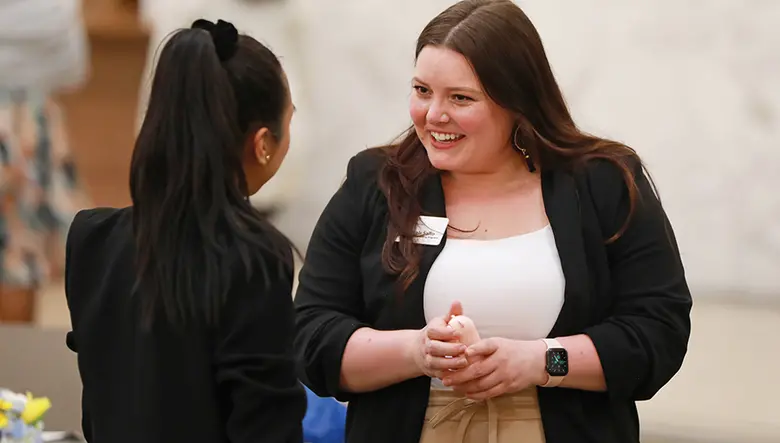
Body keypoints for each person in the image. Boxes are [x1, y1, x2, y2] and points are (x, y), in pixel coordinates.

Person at [293, 1, 692, 443]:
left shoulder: (603, 184)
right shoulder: (377, 184)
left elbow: (658, 332)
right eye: (422, 90)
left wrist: (541, 362)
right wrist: (416, 352)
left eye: (460, 98)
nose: (433, 115)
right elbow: (311, 335)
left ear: (518, 101)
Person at [64, 19, 306, 443]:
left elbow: (99, 410)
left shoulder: (92, 239)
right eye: (291, 119)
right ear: (263, 142)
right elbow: (266, 426)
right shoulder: (254, 257)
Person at [0, 0, 91, 322]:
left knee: (21, 260)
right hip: (28, 118)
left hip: (28, 124)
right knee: (19, 260)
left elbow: (73, 68)